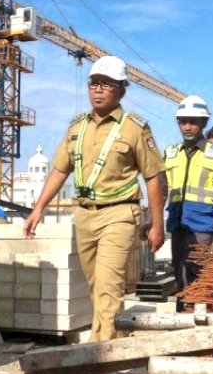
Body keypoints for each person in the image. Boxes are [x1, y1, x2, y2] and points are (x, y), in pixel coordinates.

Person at [23, 56, 166, 341]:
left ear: (121, 90)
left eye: (107, 84)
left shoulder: (135, 128)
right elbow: (60, 169)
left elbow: (153, 177)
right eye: (94, 83)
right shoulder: (78, 127)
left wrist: (157, 224)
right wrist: (39, 208)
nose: (98, 89)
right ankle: (117, 345)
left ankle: (99, 357)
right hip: (85, 215)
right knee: (95, 287)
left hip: (120, 215)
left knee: (108, 288)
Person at [164, 96, 213, 311]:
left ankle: (199, 319)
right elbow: (159, 189)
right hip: (177, 223)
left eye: (193, 121)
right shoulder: (170, 153)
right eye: (183, 121)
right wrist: (152, 221)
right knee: (179, 272)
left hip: (203, 224)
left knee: (198, 272)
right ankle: (183, 319)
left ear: (203, 123)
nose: (188, 126)